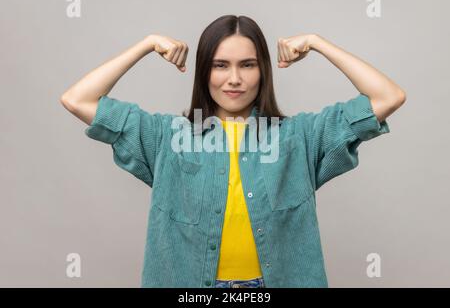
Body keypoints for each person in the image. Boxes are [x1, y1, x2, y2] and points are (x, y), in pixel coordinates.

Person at [60, 15, 406, 288]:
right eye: (220, 65)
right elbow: (78, 100)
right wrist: (147, 44)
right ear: (203, 72)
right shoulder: (166, 137)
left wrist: (318, 43)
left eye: (248, 65)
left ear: (263, 71)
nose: (234, 79)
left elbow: (387, 98)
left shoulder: (300, 137)